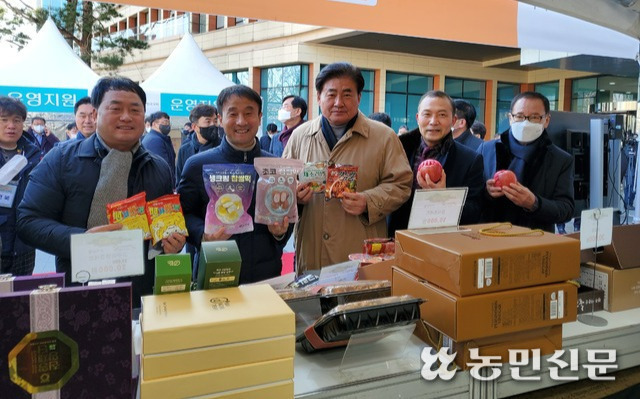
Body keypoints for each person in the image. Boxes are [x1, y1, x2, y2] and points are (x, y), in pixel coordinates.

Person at [17, 77, 185, 307]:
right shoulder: (62, 159)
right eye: (115, 108)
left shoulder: (158, 168)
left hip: (141, 297)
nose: (126, 116)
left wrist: (171, 243)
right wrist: (82, 240)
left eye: (135, 110)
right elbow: (28, 221)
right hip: (77, 293)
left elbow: (164, 226)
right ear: (95, 114)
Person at [283, 62, 412, 273]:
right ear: (318, 97)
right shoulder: (300, 136)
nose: (338, 102)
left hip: (360, 255)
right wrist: (294, 193)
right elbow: (283, 180)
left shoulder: (384, 137)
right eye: (331, 94)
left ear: (359, 97)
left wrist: (369, 201)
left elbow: (401, 184)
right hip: (311, 254)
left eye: (347, 94)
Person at [177, 85, 291, 283]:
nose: (241, 121)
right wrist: (202, 234)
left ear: (260, 116)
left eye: (249, 113)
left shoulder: (274, 166)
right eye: (233, 114)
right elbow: (182, 213)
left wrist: (281, 233)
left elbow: (286, 215)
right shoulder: (197, 164)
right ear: (220, 119)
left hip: (266, 275)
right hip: (214, 272)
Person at [388, 91, 485, 236]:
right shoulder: (397, 149)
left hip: (440, 243)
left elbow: (475, 211)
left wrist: (444, 197)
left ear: (453, 121)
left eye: (442, 115)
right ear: (418, 118)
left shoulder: (470, 159)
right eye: (427, 114)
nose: (433, 121)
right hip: (396, 237)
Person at [477, 91, 574, 232]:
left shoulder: (561, 160)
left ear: (546, 120)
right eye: (520, 116)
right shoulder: (486, 149)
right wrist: (486, 192)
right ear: (510, 118)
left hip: (534, 241)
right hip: (490, 236)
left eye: (534, 117)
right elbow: (471, 196)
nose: (525, 123)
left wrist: (534, 203)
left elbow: (566, 210)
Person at [0, 96, 40, 276]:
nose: (11, 126)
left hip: (24, 243)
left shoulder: (33, 154)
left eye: (17, 120)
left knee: (22, 299)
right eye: (4, 120)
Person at [175, 104, 221, 187]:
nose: (213, 125)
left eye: (215, 121)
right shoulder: (185, 150)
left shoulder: (222, 147)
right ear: (195, 127)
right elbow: (179, 181)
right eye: (208, 121)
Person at [141, 111, 177, 185]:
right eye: (164, 122)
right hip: (160, 185)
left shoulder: (159, 138)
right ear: (154, 124)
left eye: (168, 123)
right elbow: (163, 167)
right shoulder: (155, 140)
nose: (167, 125)